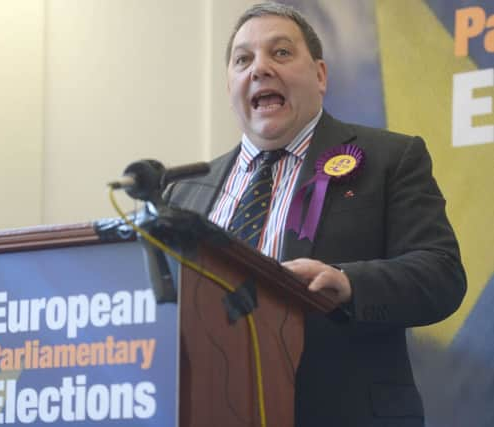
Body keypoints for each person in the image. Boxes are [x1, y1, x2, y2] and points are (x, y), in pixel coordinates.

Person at [164, 2, 467, 426]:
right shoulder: (182, 192)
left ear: (320, 75)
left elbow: (442, 274)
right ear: (230, 83)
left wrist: (347, 283)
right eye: (243, 60)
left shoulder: (389, 159)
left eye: (281, 53)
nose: (260, 68)